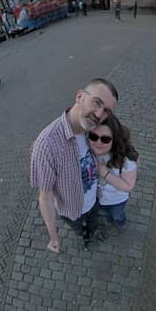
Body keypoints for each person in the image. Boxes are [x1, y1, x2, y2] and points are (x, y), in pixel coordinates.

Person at [30, 78, 119, 252]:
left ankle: (91, 232)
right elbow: (45, 197)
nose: (99, 114)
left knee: (93, 221)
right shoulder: (47, 145)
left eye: (106, 111)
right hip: (72, 210)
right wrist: (53, 237)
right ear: (79, 96)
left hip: (95, 199)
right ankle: (84, 236)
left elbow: (118, 142)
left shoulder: (95, 129)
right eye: (96, 102)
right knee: (79, 228)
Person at [89, 111, 138, 230]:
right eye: (93, 136)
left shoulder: (126, 161)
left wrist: (105, 174)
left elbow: (128, 186)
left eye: (105, 139)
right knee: (101, 213)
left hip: (116, 200)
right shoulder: (88, 151)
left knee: (116, 215)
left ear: (115, 139)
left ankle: (120, 222)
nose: (98, 142)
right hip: (95, 198)